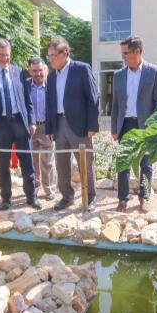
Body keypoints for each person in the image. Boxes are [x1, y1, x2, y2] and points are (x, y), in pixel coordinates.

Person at [0, 39, 41, 211]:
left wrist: (32, 121)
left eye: (7, 55)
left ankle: (31, 197)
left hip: (20, 122)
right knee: (3, 164)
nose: (5, 58)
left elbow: (27, 100)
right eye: (1, 55)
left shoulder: (18, 72)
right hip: (0, 125)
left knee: (27, 162)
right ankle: (6, 199)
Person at [111, 36, 157, 213]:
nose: (123, 57)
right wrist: (114, 128)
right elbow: (116, 104)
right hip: (125, 124)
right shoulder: (119, 75)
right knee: (123, 163)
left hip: (145, 126)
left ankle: (144, 197)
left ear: (138, 52)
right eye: (122, 54)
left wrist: (154, 125)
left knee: (146, 164)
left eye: (125, 53)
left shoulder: (153, 71)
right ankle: (123, 200)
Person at [45, 37, 99, 212]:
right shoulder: (52, 76)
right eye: (49, 56)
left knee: (85, 162)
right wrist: (49, 128)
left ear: (65, 53)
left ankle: (90, 197)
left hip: (80, 125)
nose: (51, 59)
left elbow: (93, 98)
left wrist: (92, 126)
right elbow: (50, 102)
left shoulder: (82, 69)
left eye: (54, 55)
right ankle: (67, 197)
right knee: (61, 164)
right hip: (59, 125)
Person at [27, 56, 56, 201]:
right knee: (31, 161)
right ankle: (34, 188)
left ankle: (49, 189)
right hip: (30, 128)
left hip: (46, 127)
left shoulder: (51, 84)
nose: (38, 73)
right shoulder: (25, 85)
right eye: (34, 71)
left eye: (40, 70)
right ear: (29, 71)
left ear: (45, 69)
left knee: (47, 160)